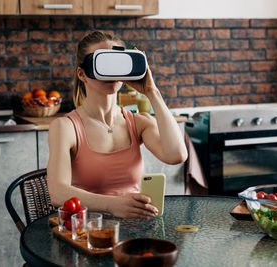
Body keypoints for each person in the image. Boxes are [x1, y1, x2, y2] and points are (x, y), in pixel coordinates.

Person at [47, 31, 187, 219]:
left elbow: (176, 155)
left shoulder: (139, 122)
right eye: (104, 63)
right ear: (82, 74)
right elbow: (57, 193)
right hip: (89, 232)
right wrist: (112, 205)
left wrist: (152, 92)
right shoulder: (66, 127)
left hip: (136, 228)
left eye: (116, 63)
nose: (111, 72)